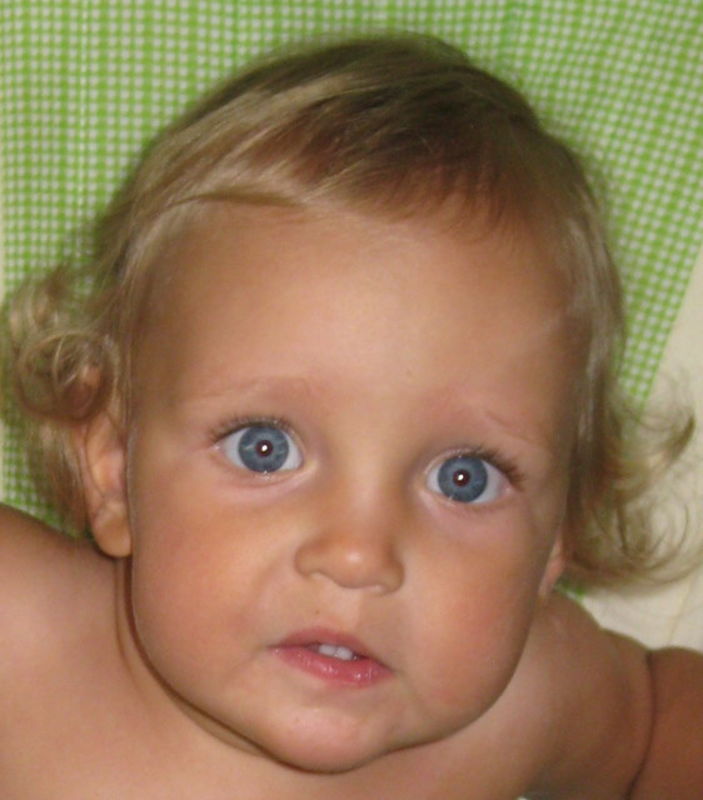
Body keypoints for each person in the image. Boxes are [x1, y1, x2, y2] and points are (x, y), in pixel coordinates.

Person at [1, 34, 701, 799]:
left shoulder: (522, 707)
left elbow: (662, 719)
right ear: (112, 464)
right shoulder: (25, 642)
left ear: (555, 540)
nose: (359, 556)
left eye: (462, 479)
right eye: (264, 448)